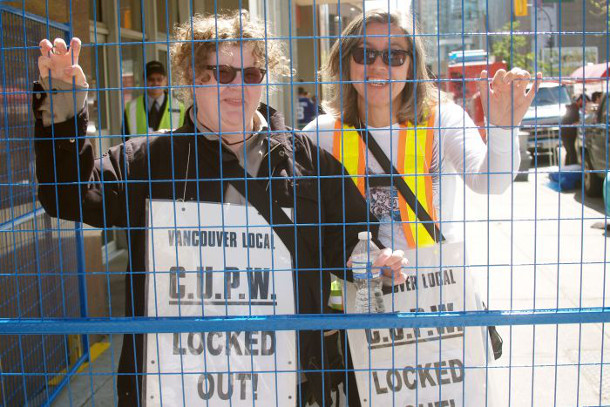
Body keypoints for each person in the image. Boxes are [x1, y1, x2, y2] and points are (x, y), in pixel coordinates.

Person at [33, 11, 406, 407]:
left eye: (251, 73)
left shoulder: (307, 160)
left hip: (288, 381)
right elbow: (67, 196)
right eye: (223, 72)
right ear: (194, 77)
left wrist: (373, 261)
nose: (237, 87)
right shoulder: (148, 161)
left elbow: (348, 239)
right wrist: (64, 108)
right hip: (182, 386)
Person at [303, 9, 540, 405]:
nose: (379, 65)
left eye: (395, 55)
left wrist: (502, 128)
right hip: (360, 305)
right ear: (345, 61)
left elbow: (492, 180)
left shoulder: (441, 120)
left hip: (437, 299)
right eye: (366, 53)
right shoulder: (321, 134)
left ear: (413, 63)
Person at [123, 60, 186, 136]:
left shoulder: (179, 107)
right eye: (151, 79)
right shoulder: (131, 108)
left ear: (165, 81)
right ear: (144, 81)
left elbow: (185, 137)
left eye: (159, 79)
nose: (155, 83)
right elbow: (124, 137)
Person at [561, 93, 588, 166]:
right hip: (567, 134)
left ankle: (567, 169)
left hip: (567, 134)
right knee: (572, 153)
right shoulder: (573, 109)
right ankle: (572, 170)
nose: (585, 104)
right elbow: (573, 123)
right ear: (580, 100)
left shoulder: (574, 108)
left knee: (570, 153)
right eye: (585, 102)